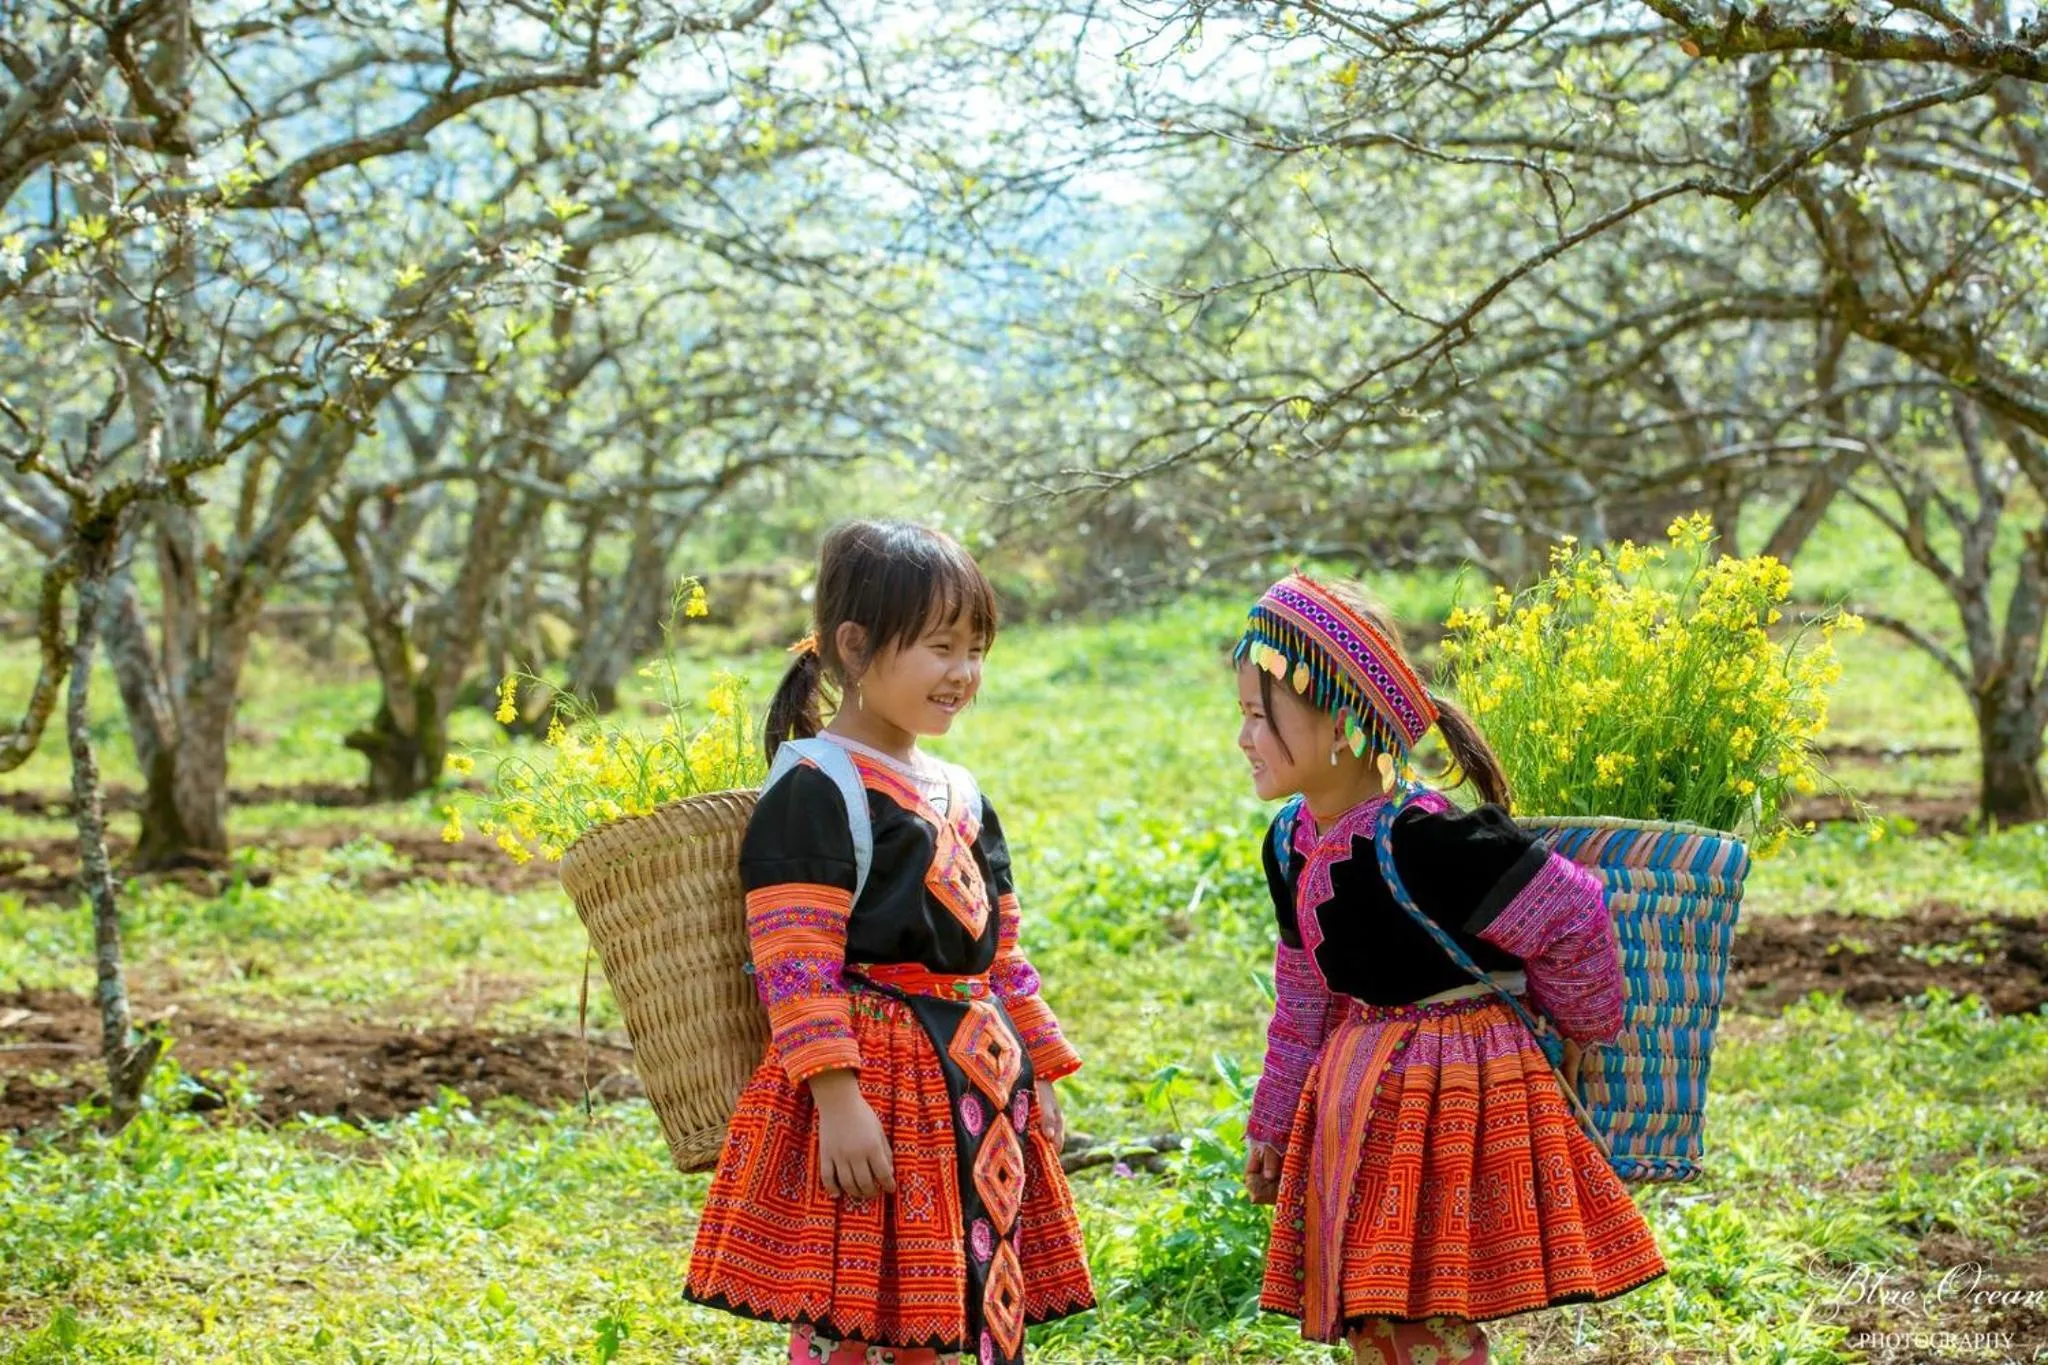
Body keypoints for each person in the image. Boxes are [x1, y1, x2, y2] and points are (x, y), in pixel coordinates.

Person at [684, 519, 1093, 1365]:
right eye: (942, 646)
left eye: (976, 647)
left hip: (978, 1084)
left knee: (973, 1289)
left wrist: (1041, 1066)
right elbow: (795, 959)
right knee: (872, 1307)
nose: (964, 673)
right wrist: (837, 1101)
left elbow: (1000, 948)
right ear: (855, 644)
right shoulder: (815, 787)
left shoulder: (961, 791)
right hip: (882, 1090)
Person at [1234, 571, 1665, 1364]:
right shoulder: (1289, 841)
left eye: (1262, 717)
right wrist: (1273, 1117)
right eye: (1243, 717)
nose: (1243, 738)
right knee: (1371, 1307)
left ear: (1340, 720)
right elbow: (1301, 995)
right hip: (1358, 1096)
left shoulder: (1427, 839)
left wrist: (1585, 1030)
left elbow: (1574, 913)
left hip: (1453, 1098)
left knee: (1421, 1304)